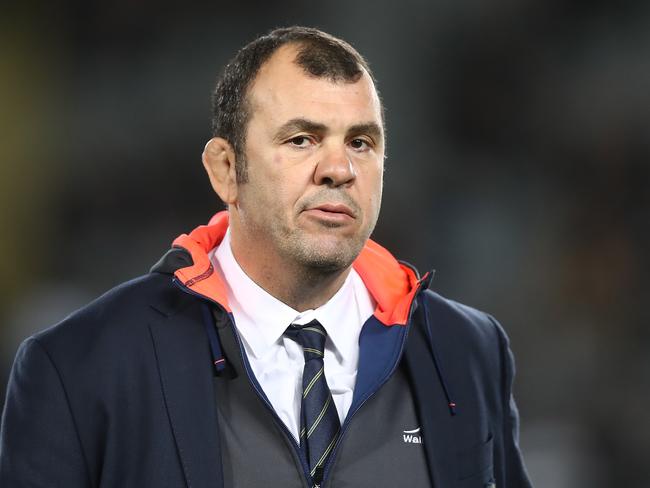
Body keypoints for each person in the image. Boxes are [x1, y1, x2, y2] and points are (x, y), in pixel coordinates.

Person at [0, 26, 532, 487]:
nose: (338, 169)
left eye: (362, 143)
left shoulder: (468, 350)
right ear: (225, 170)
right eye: (302, 139)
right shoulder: (79, 366)